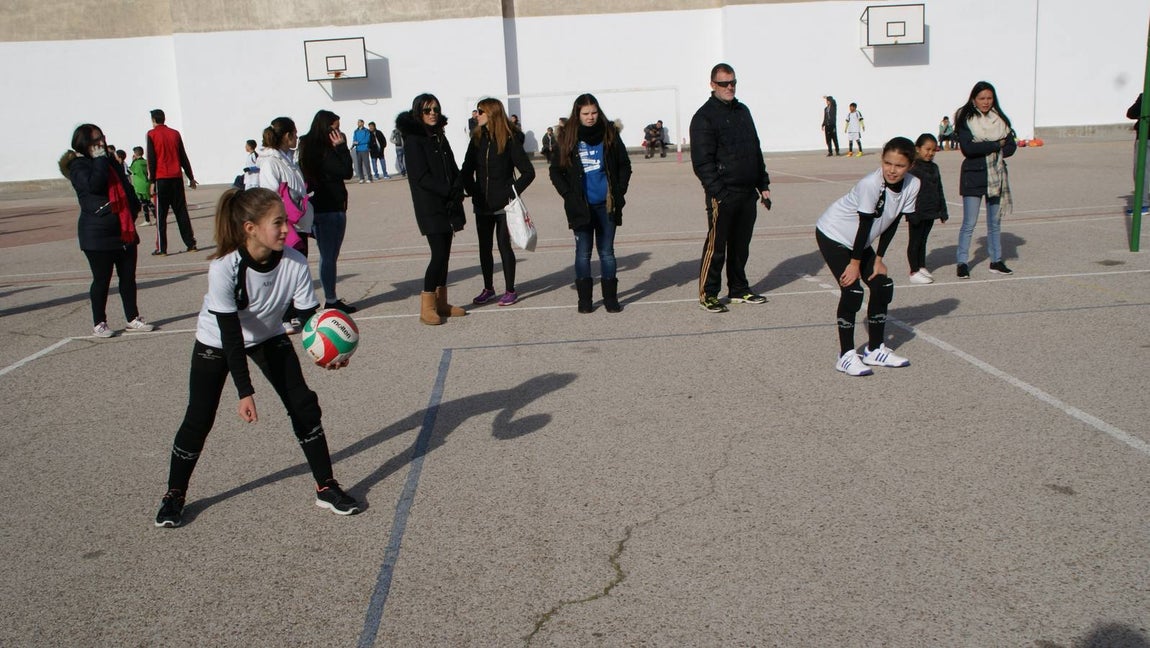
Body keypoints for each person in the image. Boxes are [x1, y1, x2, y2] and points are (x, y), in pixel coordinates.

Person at [153, 187, 360, 528]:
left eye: (286, 221)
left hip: (267, 335)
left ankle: (326, 486)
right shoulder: (224, 268)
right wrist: (245, 391)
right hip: (218, 340)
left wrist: (327, 352)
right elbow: (231, 336)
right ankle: (174, 494)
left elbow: (309, 319)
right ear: (250, 228)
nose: (286, 229)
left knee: (304, 405)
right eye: (278, 222)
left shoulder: (294, 262)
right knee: (199, 417)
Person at [815, 136, 920, 376]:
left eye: (900, 165)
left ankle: (874, 349)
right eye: (887, 163)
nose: (892, 170)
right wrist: (854, 265)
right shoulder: (871, 184)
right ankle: (845, 355)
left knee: (882, 285)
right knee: (852, 290)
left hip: (859, 241)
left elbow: (893, 221)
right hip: (834, 234)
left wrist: (879, 258)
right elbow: (865, 225)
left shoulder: (913, 184)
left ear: (910, 165)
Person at [59, 124, 155, 338]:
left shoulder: (110, 161)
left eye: (102, 137)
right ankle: (99, 322)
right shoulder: (78, 166)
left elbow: (125, 185)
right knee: (102, 279)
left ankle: (133, 317)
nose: (101, 142)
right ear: (84, 143)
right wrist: (100, 159)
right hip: (97, 233)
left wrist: (133, 208)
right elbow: (95, 185)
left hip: (123, 229)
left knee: (128, 277)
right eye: (96, 140)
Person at [690, 63, 771, 313]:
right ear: (712, 85)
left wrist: (763, 184)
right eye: (724, 83)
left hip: (747, 192)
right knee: (717, 247)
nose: (730, 87)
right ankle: (708, 294)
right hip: (723, 194)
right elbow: (702, 162)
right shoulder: (704, 117)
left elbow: (754, 148)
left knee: (741, 245)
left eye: (733, 82)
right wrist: (719, 192)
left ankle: (738, 288)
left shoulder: (743, 111)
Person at [549, 93, 632, 313]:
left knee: (607, 252)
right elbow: (555, 171)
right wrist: (568, 194)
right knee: (583, 253)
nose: (590, 117)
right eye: (585, 113)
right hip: (580, 206)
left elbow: (624, 165)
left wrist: (619, 191)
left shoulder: (610, 133)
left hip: (606, 205)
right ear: (577, 114)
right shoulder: (567, 136)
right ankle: (584, 300)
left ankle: (610, 298)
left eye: (594, 112)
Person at [395, 93, 468, 325]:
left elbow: (452, 165)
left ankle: (441, 302)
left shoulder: (439, 136)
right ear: (419, 113)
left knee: (445, 255)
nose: (433, 113)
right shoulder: (414, 140)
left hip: (448, 203)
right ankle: (427, 306)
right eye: (427, 110)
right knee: (438, 254)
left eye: (435, 109)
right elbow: (421, 177)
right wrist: (447, 190)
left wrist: (459, 185)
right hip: (431, 205)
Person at [461, 97, 536, 307]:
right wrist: (472, 190)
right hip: (482, 204)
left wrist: (511, 192)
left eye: (480, 111)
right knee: (484, 247)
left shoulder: (509, 139)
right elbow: (466, 169)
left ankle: (510, 289)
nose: (477, 115)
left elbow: (528, 172)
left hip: (504, 205)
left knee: (504, 246)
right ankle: (488, 288)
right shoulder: (476, 139)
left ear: (492, 113)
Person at [954, 80, 1017, 279]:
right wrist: (997, 145)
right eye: (982, 98)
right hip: (973, 175)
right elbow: (968, 149)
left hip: (996, 174)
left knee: (995, 222)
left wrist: (989, 146)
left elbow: (1011, 146)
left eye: (989, 98)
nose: (986, 102)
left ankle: (996, 260)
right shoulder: (966, 118)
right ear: (974, 99)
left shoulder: (1000, 120)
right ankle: (962, 262)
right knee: (969, 222)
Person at [299, 110, 357, 313]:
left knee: (329, 254)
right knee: (329, 255)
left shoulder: (309, 147)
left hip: (328, 205)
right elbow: (346, 171)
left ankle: (330, 297)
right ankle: (331, 299)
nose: (338, 132)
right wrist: (341, 148)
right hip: (328, 207)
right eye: (335, 127)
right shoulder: (321, 150)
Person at [257, 117, 311, 259]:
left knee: (300, 264)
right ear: (288, 136)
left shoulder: (289, 159)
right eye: (295, 133)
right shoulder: (270, 163)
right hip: (286, 229)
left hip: (299, 224)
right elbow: (270, 197)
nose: (297, 137)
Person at [146, 108, 198, 255]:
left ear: (153, 120)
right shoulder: (175, 133)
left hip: (161, 179)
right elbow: (183, 156)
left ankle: (162, 248)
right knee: (181, 212)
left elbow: (151, 159)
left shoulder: (151, 134)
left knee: (161, 215)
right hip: (176, 178)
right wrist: (190, 176)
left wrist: (152, 181)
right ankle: (191, 244)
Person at [906, 133, 948, 284]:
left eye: (933, 150)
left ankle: (921, 266)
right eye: (927, 149)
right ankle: (914, 271)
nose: (930, 153)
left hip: (931, 210)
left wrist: (942, 211)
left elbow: (939, 189)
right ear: (918, 149)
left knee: (923, 240)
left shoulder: (934, 167)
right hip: (917, 211)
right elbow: (907, 192)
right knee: (915, 241)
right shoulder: (913, 168)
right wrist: (910, 212)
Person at [1126, 93, 1149, 216]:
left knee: (1142, 171)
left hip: (1146, 137)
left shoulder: (1146, 96)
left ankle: (1143, 205)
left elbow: (1131, 113)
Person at [128, 146, 154, 226]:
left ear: (135, 154)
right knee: (148, 201)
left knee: (144, 202)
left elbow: (130, 170)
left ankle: (147, 220)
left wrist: (133, 161)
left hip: (139, 184)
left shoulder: (136, 163)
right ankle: (155, 217)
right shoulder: (146, 162)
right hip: (147, 183)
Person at [351, 119, 372, 183]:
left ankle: (369, 178)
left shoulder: (366, 131)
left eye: (359, 122)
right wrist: (354, 143)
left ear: (362, 123)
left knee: (367, 164)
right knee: (359, 164)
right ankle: (361, 178)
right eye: (357, 122)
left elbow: (367, 139)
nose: (358, 123)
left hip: (364, 149)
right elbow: (354, 139)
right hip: (358, 149)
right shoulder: (356, 131)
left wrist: (358, 142)